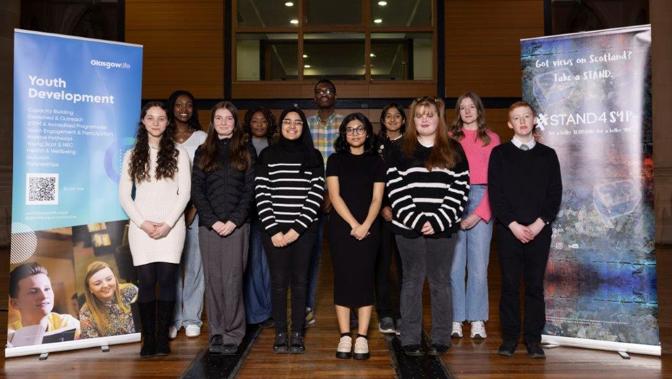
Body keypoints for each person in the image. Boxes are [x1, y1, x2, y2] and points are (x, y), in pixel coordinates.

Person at [386, 96, 469, 356]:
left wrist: (438, 220)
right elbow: (394, 187)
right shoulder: (399, 149)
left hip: (443, 227)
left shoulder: (454, 148)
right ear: (413, 120)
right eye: (419, 115)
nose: (424, 119)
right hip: (407, 226)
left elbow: (460, 189)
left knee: (440, 281)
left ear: (438, 119)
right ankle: (410, 338)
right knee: (411, 280)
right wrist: (417, 220)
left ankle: (441, 337)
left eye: (429, 114)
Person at [489, 101, 562, 359]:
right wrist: (513, 225)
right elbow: (496, 195)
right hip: (509, 231)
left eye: (526, 117)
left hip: (539, 231)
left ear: (534, 121)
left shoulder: (548, 155)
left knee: (534, 287)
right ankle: (509, 339)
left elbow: (554, 195)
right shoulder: (499, 154)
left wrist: (538, 224)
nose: (522, 121)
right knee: (509, 286)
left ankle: (533, 340)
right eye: (516, 118)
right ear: (509, 123)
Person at [119, 101, 191, 357]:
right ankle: (148, 339)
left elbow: (185, 194)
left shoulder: (179, 153)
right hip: (142, 228)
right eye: (151, 118)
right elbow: (125, 196)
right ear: (143, 121)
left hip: (172, 227)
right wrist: (143, 223)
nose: (156, 122)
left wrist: (168, 223)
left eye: (161, 118)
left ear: (168, 122)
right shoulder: (131, 155)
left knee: (168, 280)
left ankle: (163, 339)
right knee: (147, 281)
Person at [255, 107, 324, 354]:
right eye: (287, 122)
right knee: (277, 283)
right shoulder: (267, 154)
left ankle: (297, 333)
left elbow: (316, 194)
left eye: (297, 122)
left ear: (303, 127)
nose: (292, 126)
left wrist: (296, 229)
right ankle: (281, 333)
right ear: (281, 126)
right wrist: (274, 230)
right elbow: (261, 193)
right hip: (272, 230)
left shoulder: (313, 155)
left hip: (303, 231)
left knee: (300, 282)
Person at [191, 101, 255, 355]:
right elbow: (197, 190)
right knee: (214, 279)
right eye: (219, 118)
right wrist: (213, 220)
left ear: (235, 122)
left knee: (233, 279)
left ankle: (233, 332)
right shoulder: (202, 151)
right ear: (213, 121)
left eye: (229, 118)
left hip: (237, 225)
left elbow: (250, 190)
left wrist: (234, 221)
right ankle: (216, 331)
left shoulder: (246, 150)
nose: (224, 122)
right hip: (209, 225)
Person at [327, 113, 385, 360]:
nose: (355, 133)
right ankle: (344, 335)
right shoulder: (335, 160)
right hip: (341, 228)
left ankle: (361, 336)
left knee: (364, 279)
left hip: (370, 227)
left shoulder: (377, 161)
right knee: (343, 278)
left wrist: (365, 225)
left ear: (367, 133)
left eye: (359, 129)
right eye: (349, 129)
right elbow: (335, 196)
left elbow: (377, 198)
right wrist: (353, 224)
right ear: (343, 134)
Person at [448, 92, 500, 340]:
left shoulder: (492, 138)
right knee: (454, 266)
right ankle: (456, 318)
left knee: (479, 266)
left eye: (471, 107)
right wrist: (452, 210)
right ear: (458, 112)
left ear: (479, 110)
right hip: (455, 197)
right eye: (462, 107)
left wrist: (479, 214)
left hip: (484, 195)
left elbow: (498, 183)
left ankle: (477, 319)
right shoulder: (449, 138)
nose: (467, 111)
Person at [167, 90, 207, 340]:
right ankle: (173, 318)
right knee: (171, 266)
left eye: (189, 105)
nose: (184, 109)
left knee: (194, 265)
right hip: (166, 211)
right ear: (172, 108)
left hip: (195, 208)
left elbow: (205, 178)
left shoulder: (202, 137)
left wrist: (193, 208)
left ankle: (192, 317)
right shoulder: (162, 137)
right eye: (179, 105)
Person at [305, 79, 344, 327]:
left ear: (335, 95)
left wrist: (332, 193)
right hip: (312, 198)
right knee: (312, 254)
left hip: (342, 197)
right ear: (314, 97)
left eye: (328, 91)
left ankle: (350, 306)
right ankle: (307, 306)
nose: (324, 94)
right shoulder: (305, 125)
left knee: (345, 254)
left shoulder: (344, 123)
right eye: (320, 91)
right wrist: (319, 193)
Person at [242, 107, 276, 328]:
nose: (259, 125)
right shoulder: (242, 147)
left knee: (271, 264)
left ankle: (271, 309)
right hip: (250, 212)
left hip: (273, 212)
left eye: (263, 121)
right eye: (255, 121)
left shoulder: (277, 147)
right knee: (253, 263)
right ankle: (256, 312)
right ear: (249, 123)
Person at [374, 103, 406, 335]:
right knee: (382, 265)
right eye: (388, 116)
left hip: (407, 214)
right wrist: (384, 206)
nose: (393, 119)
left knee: (407, 267)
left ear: (404, 120)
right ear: (383, 120)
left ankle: (404, 314)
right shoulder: (375, 145)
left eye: (397, 116)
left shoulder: (412, 144)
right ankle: (385, 313)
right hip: (381, 213)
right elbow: (373, 177)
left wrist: (400, 207)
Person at [8, 262, 81, 347]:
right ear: (15, 303)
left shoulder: (69, 324)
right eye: (33, 292)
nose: (44, 296)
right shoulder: (9, 335)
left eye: (47, 289)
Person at [79, 261, 138, 338]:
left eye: (109, 279)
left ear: (115, 279)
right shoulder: (86, 312)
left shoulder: (130, 291)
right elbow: (93, 346)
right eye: (97, 283)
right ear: (90, 289)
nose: (105, 285)